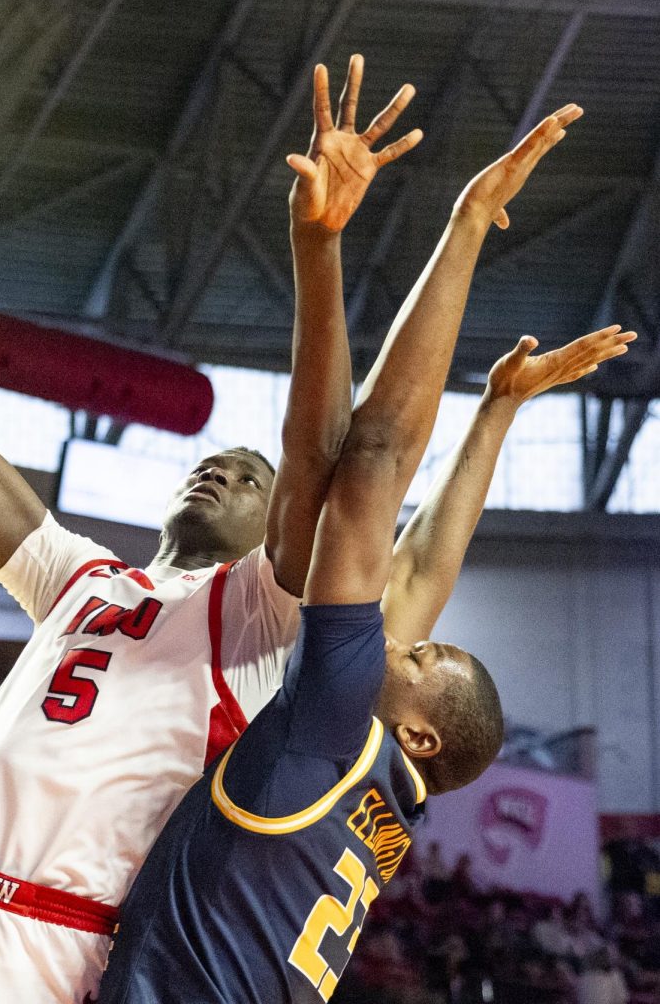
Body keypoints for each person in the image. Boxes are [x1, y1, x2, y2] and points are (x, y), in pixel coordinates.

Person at [0, 56, 423, 1002]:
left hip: (45, 952)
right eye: (216, 461)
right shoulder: (75, 578)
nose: (225, 469)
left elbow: (317, 448)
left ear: (273, 529)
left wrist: (315, 247)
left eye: (251, 478)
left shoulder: (256, 620)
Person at [99, 104, 633, 1003]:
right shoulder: (380, 798)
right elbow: (422, 567)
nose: (398, 636)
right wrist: (495, 412)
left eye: (418, 653)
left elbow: (371, 460)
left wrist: (459, 226)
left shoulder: (331, 708)